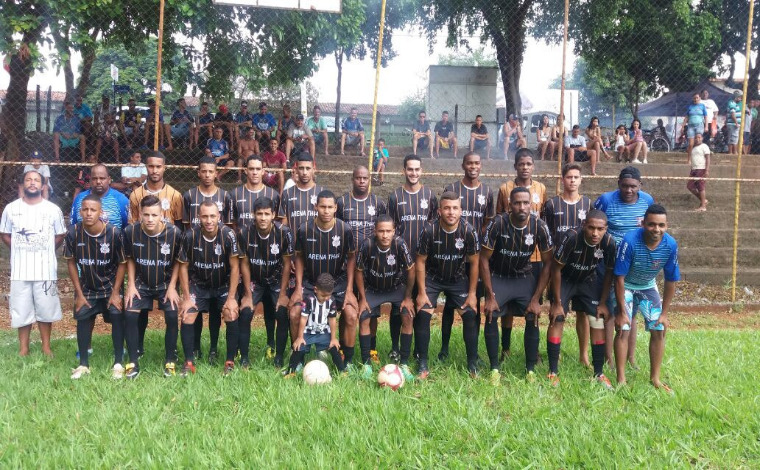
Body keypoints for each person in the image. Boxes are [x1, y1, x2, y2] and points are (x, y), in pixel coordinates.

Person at [480, 187, 553, 384]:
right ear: (510, 205)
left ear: (531, 205)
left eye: (526, 203)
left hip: (523, 277)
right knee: (490, 313)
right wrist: (489, 295)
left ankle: (530, 370)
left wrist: (537, 298)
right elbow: (483, 260)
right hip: (500, 276)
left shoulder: (539, 226)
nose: (522, 207)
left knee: (533, 313)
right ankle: (494, 368)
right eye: (517, 203)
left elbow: (548, 263)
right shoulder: (498, 224)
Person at [613, 204, 680, 391]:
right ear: (643, 223)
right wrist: (621, 311)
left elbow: (671, 281)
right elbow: (618, 278)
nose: (656, 229)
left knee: (658, 328)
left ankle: (655, 379)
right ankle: (621, 378)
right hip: (626, 285)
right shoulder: (629, 241)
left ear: (666, 226)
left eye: (661, 225)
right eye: (651, 224)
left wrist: (664, 313)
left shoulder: (670, 245)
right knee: (624, 327)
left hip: (647, 286)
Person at [1, 170, 66, 357]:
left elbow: (60, 234)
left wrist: (44, 247)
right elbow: (5, 234)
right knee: (22, 310)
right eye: (28, 179)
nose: (32, 183)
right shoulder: (11, 209)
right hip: (20, 270)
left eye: (36, 180)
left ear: (43, 185)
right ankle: (24, 348)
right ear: (22, 184)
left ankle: (46, 347)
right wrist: (20, 247)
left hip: (45, 269)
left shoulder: (52, 209)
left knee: (46, 309)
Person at [594, 166, 654, 368]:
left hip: (636, 264)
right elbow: (596, 224)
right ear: (618, 183)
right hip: (611, 264)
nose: (629, 190)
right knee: (613, 310)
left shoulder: (647, 201)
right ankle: (609, 358)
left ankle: (631, 357)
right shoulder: (606, 200)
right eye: (625, 186)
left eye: (633, 187)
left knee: (632, 311)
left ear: (640, 186)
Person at [415, 191, 480, 379]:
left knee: (470, 315)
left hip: (457, 279)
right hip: (433, 278)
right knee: (423, 312)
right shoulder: (429, 230)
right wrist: (421, 292)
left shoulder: (469, 231)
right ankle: (423, 364)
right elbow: (420, 261)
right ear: (439, 211)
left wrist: (473, 293)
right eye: (447, 208)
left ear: (461, 211)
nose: (451, 212)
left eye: (455, 208)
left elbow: (475, 262)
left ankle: (472, 364)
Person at [290, 190, 358, 368]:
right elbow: (298, 257)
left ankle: (347, 358)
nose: (326, 211)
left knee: (351, 315)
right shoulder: (304, 229)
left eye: (330, 207)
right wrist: (298, 287)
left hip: (338, 282)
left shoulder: (345, 229)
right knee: (295, 313)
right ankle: (298, 357)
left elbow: (352, 257)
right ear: (315, 207)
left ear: (336, 208)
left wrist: (350, 290)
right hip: (311, 282)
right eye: (322, 207)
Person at [548, 210, 615, 388]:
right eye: (591, 228)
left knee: (597, 319)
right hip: (565, 279)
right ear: (584, 225)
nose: (595, 233)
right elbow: (555, 269)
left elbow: (609, 273)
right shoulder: (571, 237)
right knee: (558, 317)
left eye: (600, 229)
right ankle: (553, 372)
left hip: (587, 280)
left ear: (605, 229)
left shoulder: (609, 242)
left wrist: (602, 302)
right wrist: (556, 302)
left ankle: (599, 373)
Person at [438, 152, 494, 361]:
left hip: (474, 256)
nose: (473, 166)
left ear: (481, 165)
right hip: (451, 253)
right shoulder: (452, 189)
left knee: (473, 302)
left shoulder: (487, 192)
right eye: (469, 163)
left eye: (477, 163)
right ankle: (444, 349)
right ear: (463, 165)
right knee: (450, 305)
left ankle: (474, 351)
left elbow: (488, 222)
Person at [64, 194, 127, 379]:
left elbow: (122, 263)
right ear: (80, 211)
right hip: (87, 288)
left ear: (101, 212)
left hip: (110, 286)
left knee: (117, 317)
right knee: (83, 318)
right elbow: (71, 262)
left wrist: (116, 292)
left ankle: (118, 362)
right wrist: (78, 293)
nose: (89, 213)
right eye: (85, 209)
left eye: (93, 210)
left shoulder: (114, 233)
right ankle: (83, 364)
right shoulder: (73, 232)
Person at [123, 195, 183, 378]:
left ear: (162, 214)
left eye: (154, 215)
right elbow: (130, 258)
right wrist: (131, 285)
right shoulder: (130, 232)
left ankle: (170, 359)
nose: (150, 219)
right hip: (141, 282)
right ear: (140, 214)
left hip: (165, 283)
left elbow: (179, 262)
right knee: (130, 314)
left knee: (172, 316)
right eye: (146, 214)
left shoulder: (174, 233)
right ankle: (133, 361)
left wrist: (173, 287)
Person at [178, 201, 240, 376]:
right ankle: (189, 362)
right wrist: (186, 297)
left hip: (223, 285)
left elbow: (235, 267)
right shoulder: (189, 235)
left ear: (219, 216)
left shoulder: (228, 235)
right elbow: (183, 266)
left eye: (212, 216)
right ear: (199, 217)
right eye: (204, 216)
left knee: (231, 312)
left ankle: (229, 361)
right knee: (188, 314)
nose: (209, 220)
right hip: (199, 285)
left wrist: (232, 297)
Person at [495, 148, 546, 360]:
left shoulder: (541, 188)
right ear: (515, 166)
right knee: (505, 307)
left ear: (533, 166)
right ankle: (505, 349)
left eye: (528, 164)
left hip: (533, 257)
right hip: (509, 256)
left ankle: (532, 352)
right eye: (521, 164)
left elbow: (542, 218)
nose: (525, 167)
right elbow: (499, 217)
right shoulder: (505, 188)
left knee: (532, 305)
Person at [182, 157, 234, 363]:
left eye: (210, 171)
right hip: (198, 268)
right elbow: (186, 228)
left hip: (220, 271)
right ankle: (193, 352)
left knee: (216, 312)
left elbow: (230, 228)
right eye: (203, 171)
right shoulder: (189, 197)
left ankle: (214, 349)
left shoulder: (225, 197)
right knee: (192, 311)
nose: (206, 175)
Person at [387, 155, 438, 361]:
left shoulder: (430, 196)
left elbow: (434, 228)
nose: (413, 173)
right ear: (404, 171)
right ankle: (394, 347)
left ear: (421, 171)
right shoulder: (394, 197)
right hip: (400, 262)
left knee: (419, 304)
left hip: (423, 262)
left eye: (417, 169)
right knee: (397, 306)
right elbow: (390, 230)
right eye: (410, 169)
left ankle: (417, 349)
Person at [542, 163, 593, 365]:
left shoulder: (588, 204)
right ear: (562, 180)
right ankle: (555, 353)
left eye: (576, 177)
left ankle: (584, 355)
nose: (572, 180)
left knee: (583, 313)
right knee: (557, 311)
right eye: (569, 177)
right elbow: (546, 235)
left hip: (582, 267)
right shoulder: (552, 205)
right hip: (559, 269)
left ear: (581, 180)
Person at [355, 215, 416, 380]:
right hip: (373, 289)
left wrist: (408, 297)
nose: (385, 235)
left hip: (396, 288)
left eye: (388, 231)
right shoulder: (367, 245)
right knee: (364, 317)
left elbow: (411, 269)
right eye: (381, 231)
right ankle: (366, 363)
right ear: (375, 231)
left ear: (394, 231)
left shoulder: (400, 244)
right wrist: (362, 298)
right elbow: (359, 271)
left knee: (407, 315)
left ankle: (404, 363)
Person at [337, 166, 388, 361]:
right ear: (352, 179)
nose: (361, 181)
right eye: (358, 178)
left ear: (370, 179)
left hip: (371, 267)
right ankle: (342, 347)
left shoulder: (379, 203)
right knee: (347, 307)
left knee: (371, 309)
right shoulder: (342, 202)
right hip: (346, 266)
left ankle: (372, 350)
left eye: (365, 178)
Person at [239, 197, 293, 367]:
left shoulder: (284, 232)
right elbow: (245, 264)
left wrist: (283, 294)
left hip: (277, 280)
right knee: (246, 312)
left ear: (273, 215)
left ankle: (278, 356)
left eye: (267, 214)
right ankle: (244, 358)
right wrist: (247, 294)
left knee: (281, 313)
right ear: (253, 215)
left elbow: (286, 264)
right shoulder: (244, 233)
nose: (263, 218)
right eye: (259, 214)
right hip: (255, 280)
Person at [283, 273, 347, 377]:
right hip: (308, 332)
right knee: (298, 348)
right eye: (323, 295)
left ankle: (342, 371)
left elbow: (332, 319)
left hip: (323, 332)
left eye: (329, 295)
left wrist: (333, 338)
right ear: (316, 290)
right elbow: (303, 319)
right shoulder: (309, 300)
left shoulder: (332, 301)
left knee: (334, 347)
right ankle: (291, 372)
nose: (326, 298)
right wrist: (299, 337)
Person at [70, 164, 129, 229]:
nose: (98, 182)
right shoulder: (79, 199)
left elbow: (127, 228)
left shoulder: (121, 199)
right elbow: (73, 226)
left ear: (109, 180)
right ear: (90, 180)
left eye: (102, 178)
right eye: (94, 178)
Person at [278, 153, 324, 231]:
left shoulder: (322, 193)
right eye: (301, 168)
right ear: (296, 170)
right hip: (295, 241)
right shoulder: (287, 194)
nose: (304, 172)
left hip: (317, 241)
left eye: (308, 168)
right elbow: (283, 223)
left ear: (314, 170)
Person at [232, 155, 281, 229]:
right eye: (251, 169)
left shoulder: (273, 195)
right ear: (246, 171)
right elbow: (231, 222)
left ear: (263, 171)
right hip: (242, 240)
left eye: (258, 169)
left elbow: (280, 220)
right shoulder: (234, 194)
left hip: (266, 240)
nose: (255, 172)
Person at [53, 98, 86, 162]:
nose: (71, 109)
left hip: (73, 137)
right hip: (63, 137)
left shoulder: (77, 117)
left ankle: (83, 159)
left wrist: (73, 135)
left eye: (72, 108)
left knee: (82, 137)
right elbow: (56, 129)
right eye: (69, 108)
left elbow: (78, 130)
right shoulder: (60, 117)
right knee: (56, 135)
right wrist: (63, 133)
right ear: (65, 108)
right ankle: (57, 158)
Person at [687, 133, 710, 212]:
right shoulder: (693, 148)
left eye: (699, 137)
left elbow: (708, 159)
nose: (697, 139)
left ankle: (703, 206)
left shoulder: (704, 146)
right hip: (694, 169)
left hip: (701, 168)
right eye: (696, 138)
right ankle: (704, 200)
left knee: (701, 187)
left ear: (702, 138)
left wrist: (707, 170)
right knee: (690, 186)